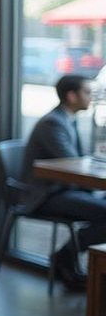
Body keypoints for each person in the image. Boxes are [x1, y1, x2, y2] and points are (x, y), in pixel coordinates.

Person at [23, 74, 101, 290]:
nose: (91, 97)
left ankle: (67, 257)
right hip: (47, 194)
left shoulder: (67, 119)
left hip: (63, 190)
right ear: (71, 96)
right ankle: (65, 257)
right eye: (87, 92)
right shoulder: (53, 123)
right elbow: (73, 165)